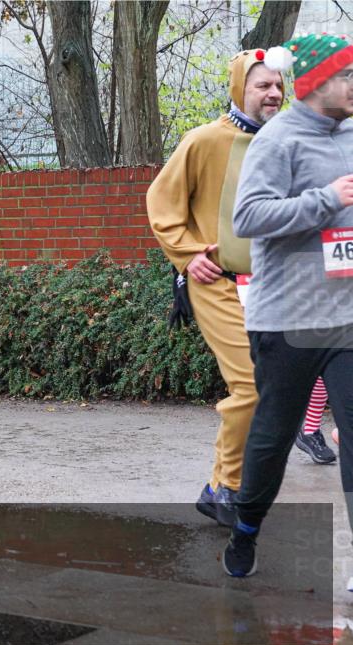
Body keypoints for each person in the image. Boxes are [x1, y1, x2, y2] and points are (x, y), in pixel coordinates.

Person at [222, 33, 353, 578]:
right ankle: (247, 528)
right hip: (288, 321)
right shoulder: (278, 140)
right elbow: (247, 219)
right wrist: (327, 201)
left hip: (346, 319)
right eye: (347, 76)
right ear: (318, 81)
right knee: (273, 438)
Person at [147, 50, 284, 526]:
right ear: (238, 88)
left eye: (278, 85)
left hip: (272, 287)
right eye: (262, 85)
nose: (273, 93)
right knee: (250, 383)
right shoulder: (204, 140)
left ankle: (225, 484)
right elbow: (161, 202)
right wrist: (187, 255)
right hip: (217, 282)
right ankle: (226, 487)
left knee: (269, 386)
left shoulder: (285, 141)